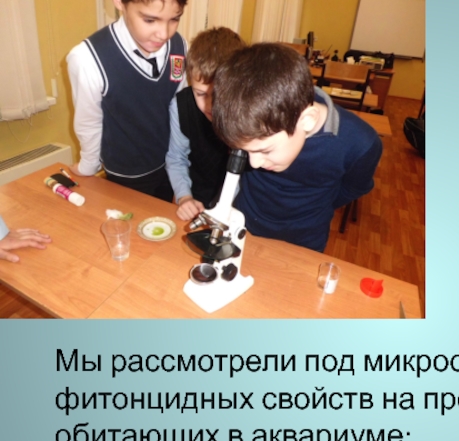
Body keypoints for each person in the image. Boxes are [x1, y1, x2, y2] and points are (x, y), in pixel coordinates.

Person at [209, 43, 383, 252]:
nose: (253, 164)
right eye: (246, 151)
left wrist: (314, 205)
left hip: (305, 240)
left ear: (307, 120)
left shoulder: (361, 144)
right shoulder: (253, 120)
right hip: (245, 225)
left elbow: (353, 188)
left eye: (264, 150)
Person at [67, 0, 188, 202]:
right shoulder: (87, 58)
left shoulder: (179, 46)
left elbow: (178, 105)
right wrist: (88, 166)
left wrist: (181, 169)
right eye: (150, 20)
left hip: (171, 166)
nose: (164, 34)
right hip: (127, 174)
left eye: (174, 19)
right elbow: (88, 122)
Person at [166, 27, 245, 221]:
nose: (210, 105)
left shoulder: (248, 107)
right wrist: (184, 197)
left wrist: (223, 207)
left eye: (218, 94)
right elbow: (176, 158)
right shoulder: (181, 106)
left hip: (241, 204)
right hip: (198, 197)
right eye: (200, 93)